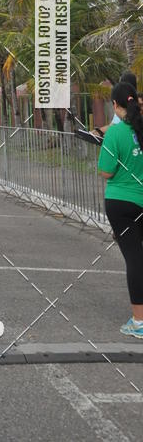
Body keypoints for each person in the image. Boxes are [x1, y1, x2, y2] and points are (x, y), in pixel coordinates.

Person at [98, 81, 143, 337]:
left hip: (121, 202)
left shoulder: (115, 133)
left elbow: (106, 171)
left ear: (115, 105)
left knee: (135, 258)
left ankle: (139, 321)